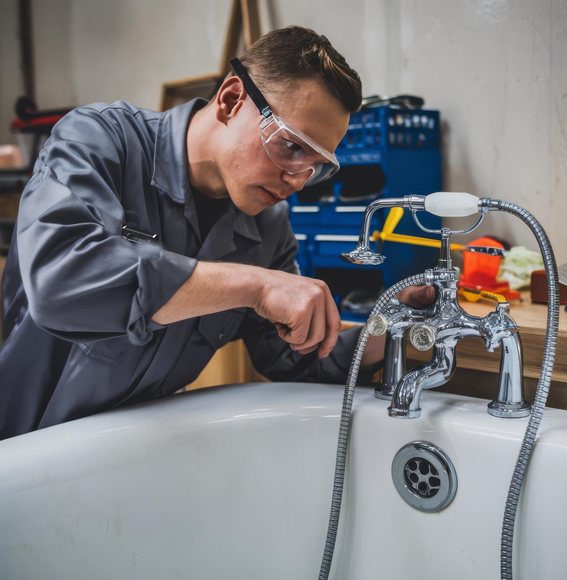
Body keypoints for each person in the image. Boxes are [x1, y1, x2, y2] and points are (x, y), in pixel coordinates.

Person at [0, 26, 433, 440]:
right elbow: (62, 281)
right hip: (28, 454)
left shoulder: (267, 228)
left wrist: (389, 323)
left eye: (317, 166)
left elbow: (293, 358)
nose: (298, 181)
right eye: (292, 146)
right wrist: (255, 286)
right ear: (230, 100)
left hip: (133, 461)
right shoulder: (100, 141)